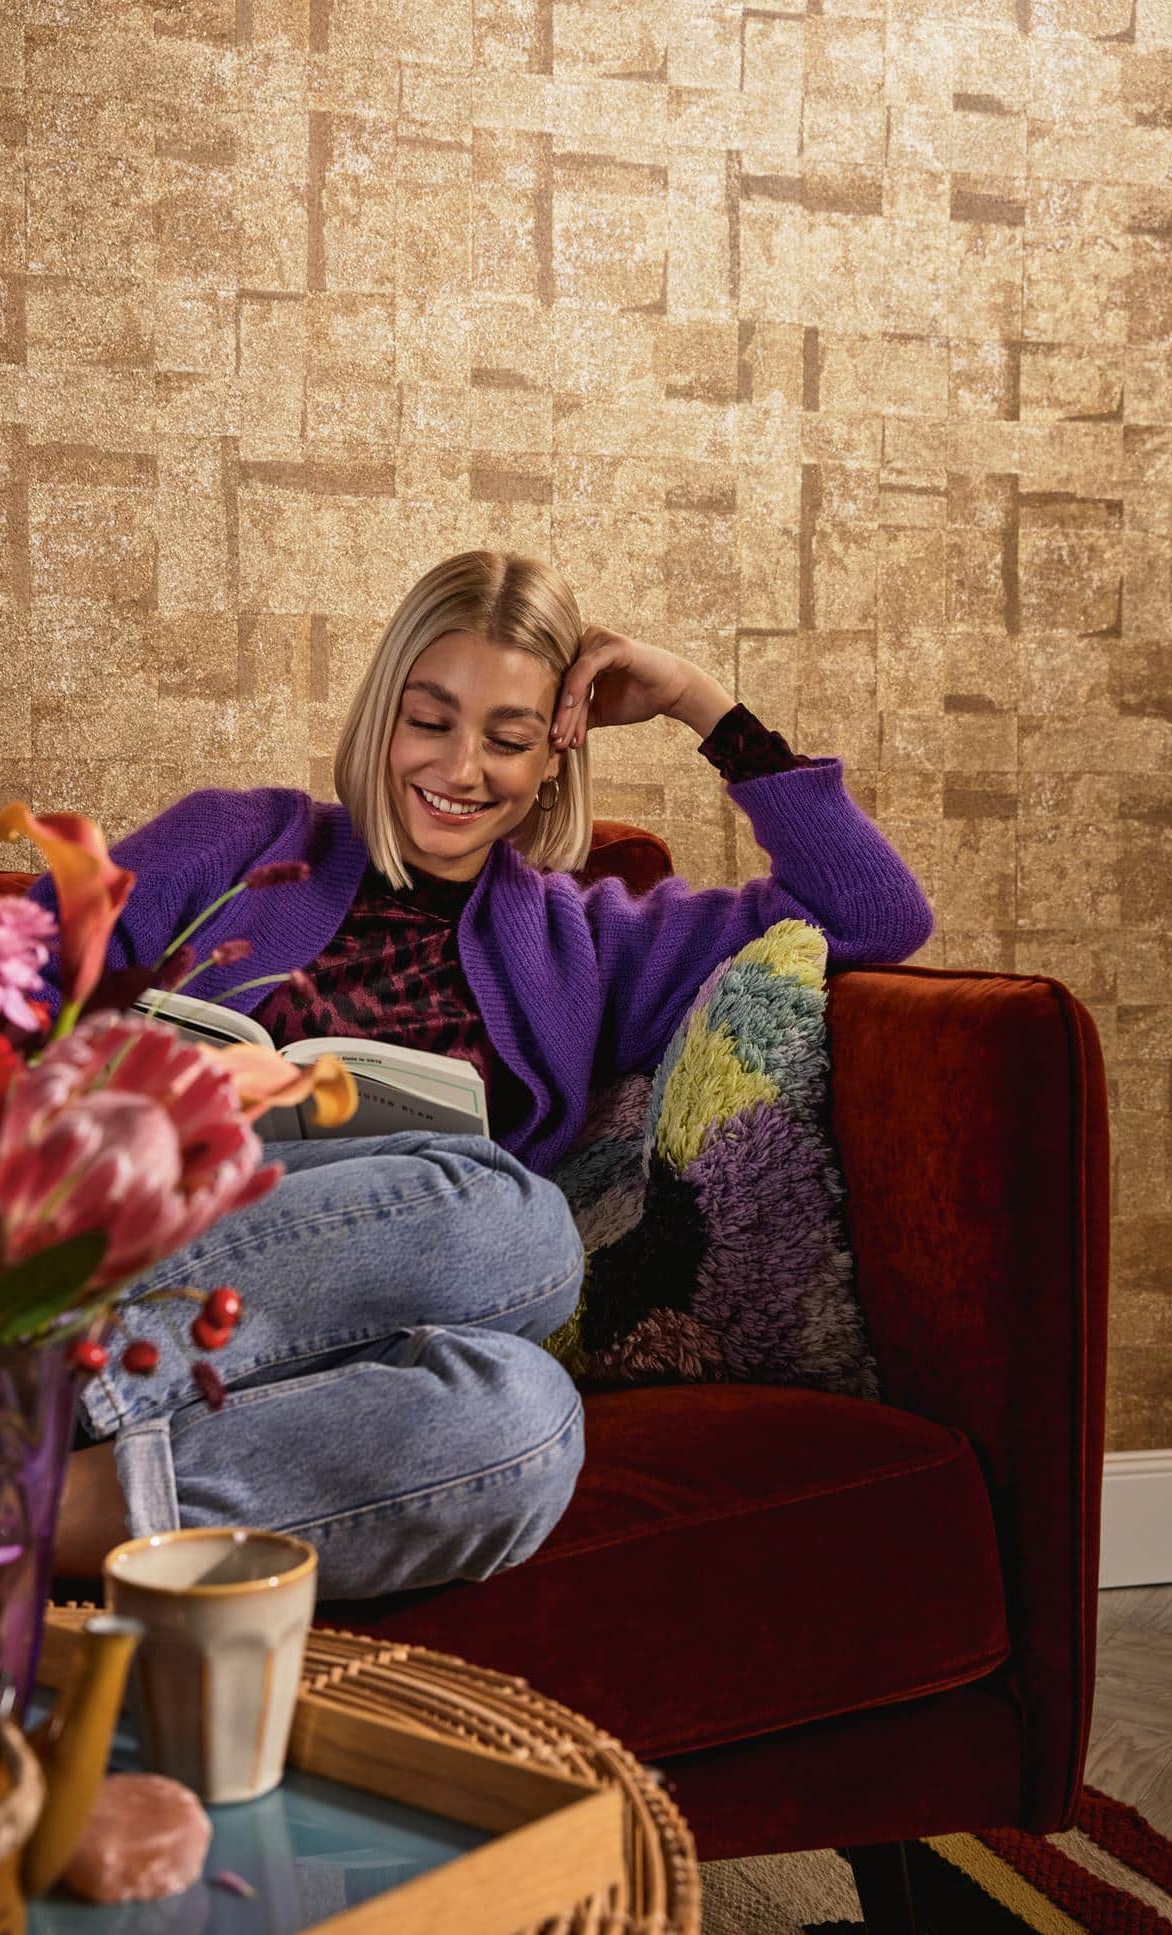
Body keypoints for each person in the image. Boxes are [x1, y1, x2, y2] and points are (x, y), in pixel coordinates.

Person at [49, 550, 932, 1599]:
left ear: (554, 757)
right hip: (137, 1253)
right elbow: (11, 979)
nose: (462, 768)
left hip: (336, 1363)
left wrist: (699, 702)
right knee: (518, 1217)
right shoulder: (240, 841)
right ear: (382, 716)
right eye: (430, 721)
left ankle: (32, 1505)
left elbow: (873, 914)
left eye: (509, 739)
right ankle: (58, 1376)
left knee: (530, 1417)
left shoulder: (585, 945)